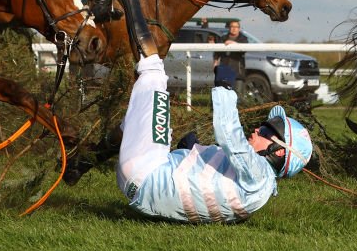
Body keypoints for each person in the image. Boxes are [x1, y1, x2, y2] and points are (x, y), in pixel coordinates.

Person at [116, 55, 313, 224]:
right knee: (143, 116)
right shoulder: (257, 193)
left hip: (144, 171)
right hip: (141, 193)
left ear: (278, 151)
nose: (257, 129)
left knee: (154, 71)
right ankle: (95, 152)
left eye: (266, 131)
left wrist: (225, 87)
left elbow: (230, 135)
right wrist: (190, 150)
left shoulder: (260, 174)